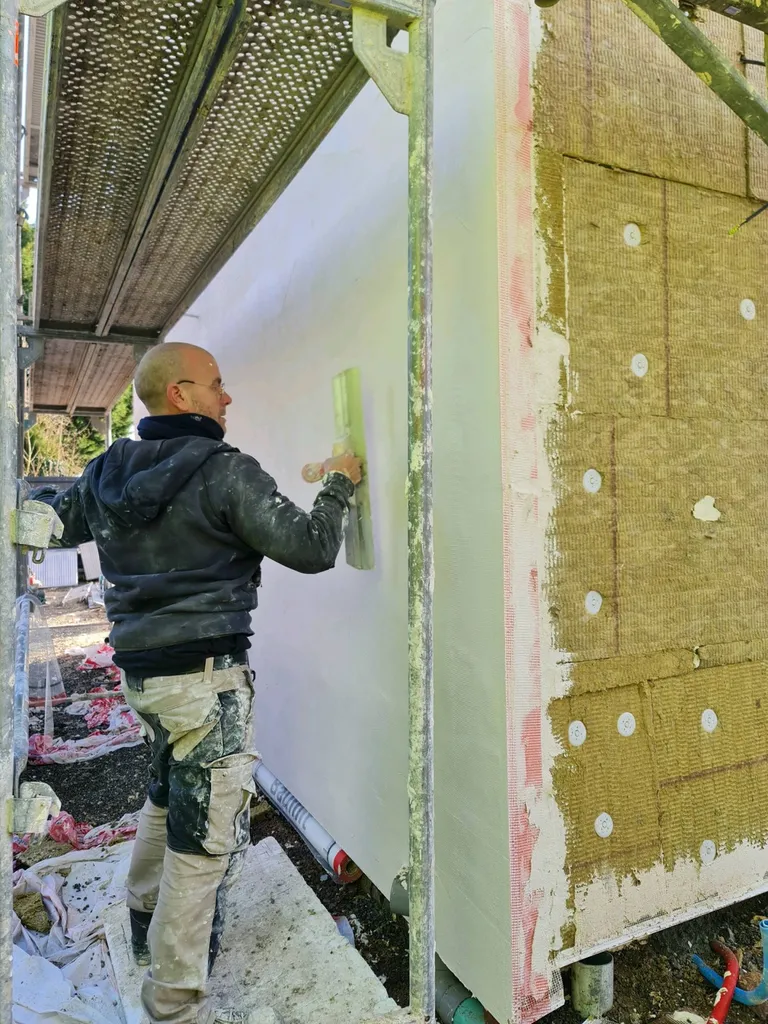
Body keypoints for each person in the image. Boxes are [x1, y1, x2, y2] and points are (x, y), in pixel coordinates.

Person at [34, 342, 362, 1024]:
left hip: (143, 682)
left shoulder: (103, 472)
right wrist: (340, 482)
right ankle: (174, 1000)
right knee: (204, 840)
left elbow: (50, 530)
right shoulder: (225, 473)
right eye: (217, 385)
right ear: (181, 395)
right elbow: (311, 548)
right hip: (206, 688)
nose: (228, 396)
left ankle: (142, 922)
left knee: (164, 795)